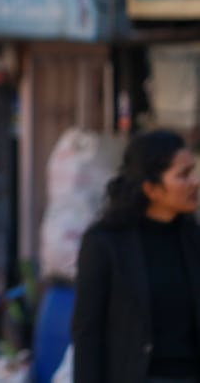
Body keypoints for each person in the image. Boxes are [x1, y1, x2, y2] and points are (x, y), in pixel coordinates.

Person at [72, 129, 200, 383]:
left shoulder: (193, 239)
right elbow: (88, 334)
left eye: (193, 171)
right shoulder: (105, 244)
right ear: (151, 188)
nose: (195, 182)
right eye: (183, 175)